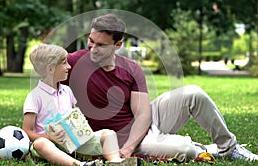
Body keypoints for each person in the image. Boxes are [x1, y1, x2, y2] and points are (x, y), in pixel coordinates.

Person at [62, 13, 258, 162]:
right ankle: (203, 148)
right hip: (117, 138)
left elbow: (143, 114)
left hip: (143, 124)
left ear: (117, 44)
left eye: (101, 45)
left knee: (194, 93)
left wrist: (129, 149)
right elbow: (44, 60)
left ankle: (229, 148)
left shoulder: (131, 68)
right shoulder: (74, 62)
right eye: (91, 41)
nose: (93, 49)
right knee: (185, 150)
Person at [22, 43, 139, 166]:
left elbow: (74, 115)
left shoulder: (67, 91)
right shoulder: (35, 96)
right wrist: (50, 138)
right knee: (41, 144)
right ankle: (79, 165)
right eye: (64, 63)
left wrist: (81, 126)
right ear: (50, 69)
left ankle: (116, 162)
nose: (69, 66)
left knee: (108, 134)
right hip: (50, 145)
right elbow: (27, 131)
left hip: (73, 142)